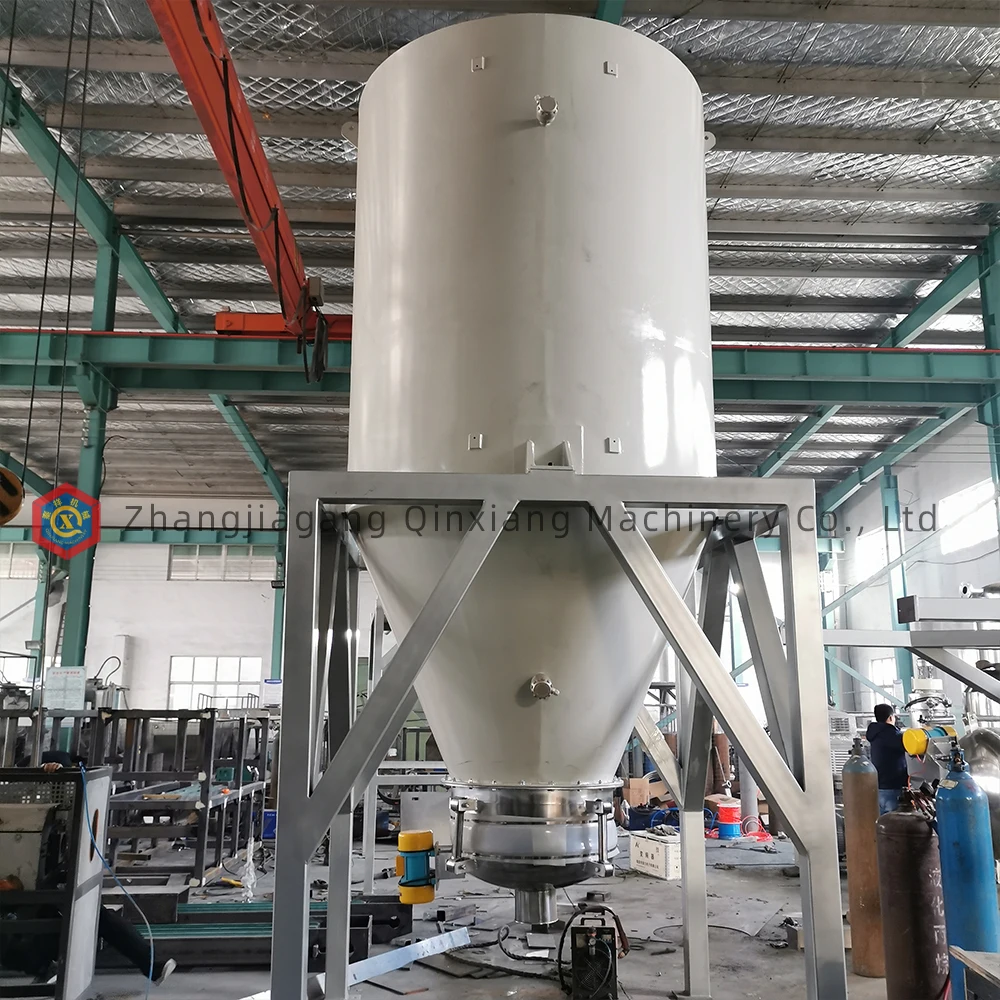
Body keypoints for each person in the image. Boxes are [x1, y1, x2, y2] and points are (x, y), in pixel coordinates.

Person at [1, 755, 176, 986]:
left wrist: (61, 777)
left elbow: (68, 803)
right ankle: (44, 967)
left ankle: (150, 964)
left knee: (95, 915)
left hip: (39, 883)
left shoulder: (36, 800)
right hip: (18, 899)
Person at [866, 704, 907, 815]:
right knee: (893, 821)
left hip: (879, 785)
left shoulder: (875, 733)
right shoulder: (892, 735)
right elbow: (910, 747)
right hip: (892, 786)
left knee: (882, 820)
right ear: (890, 717)